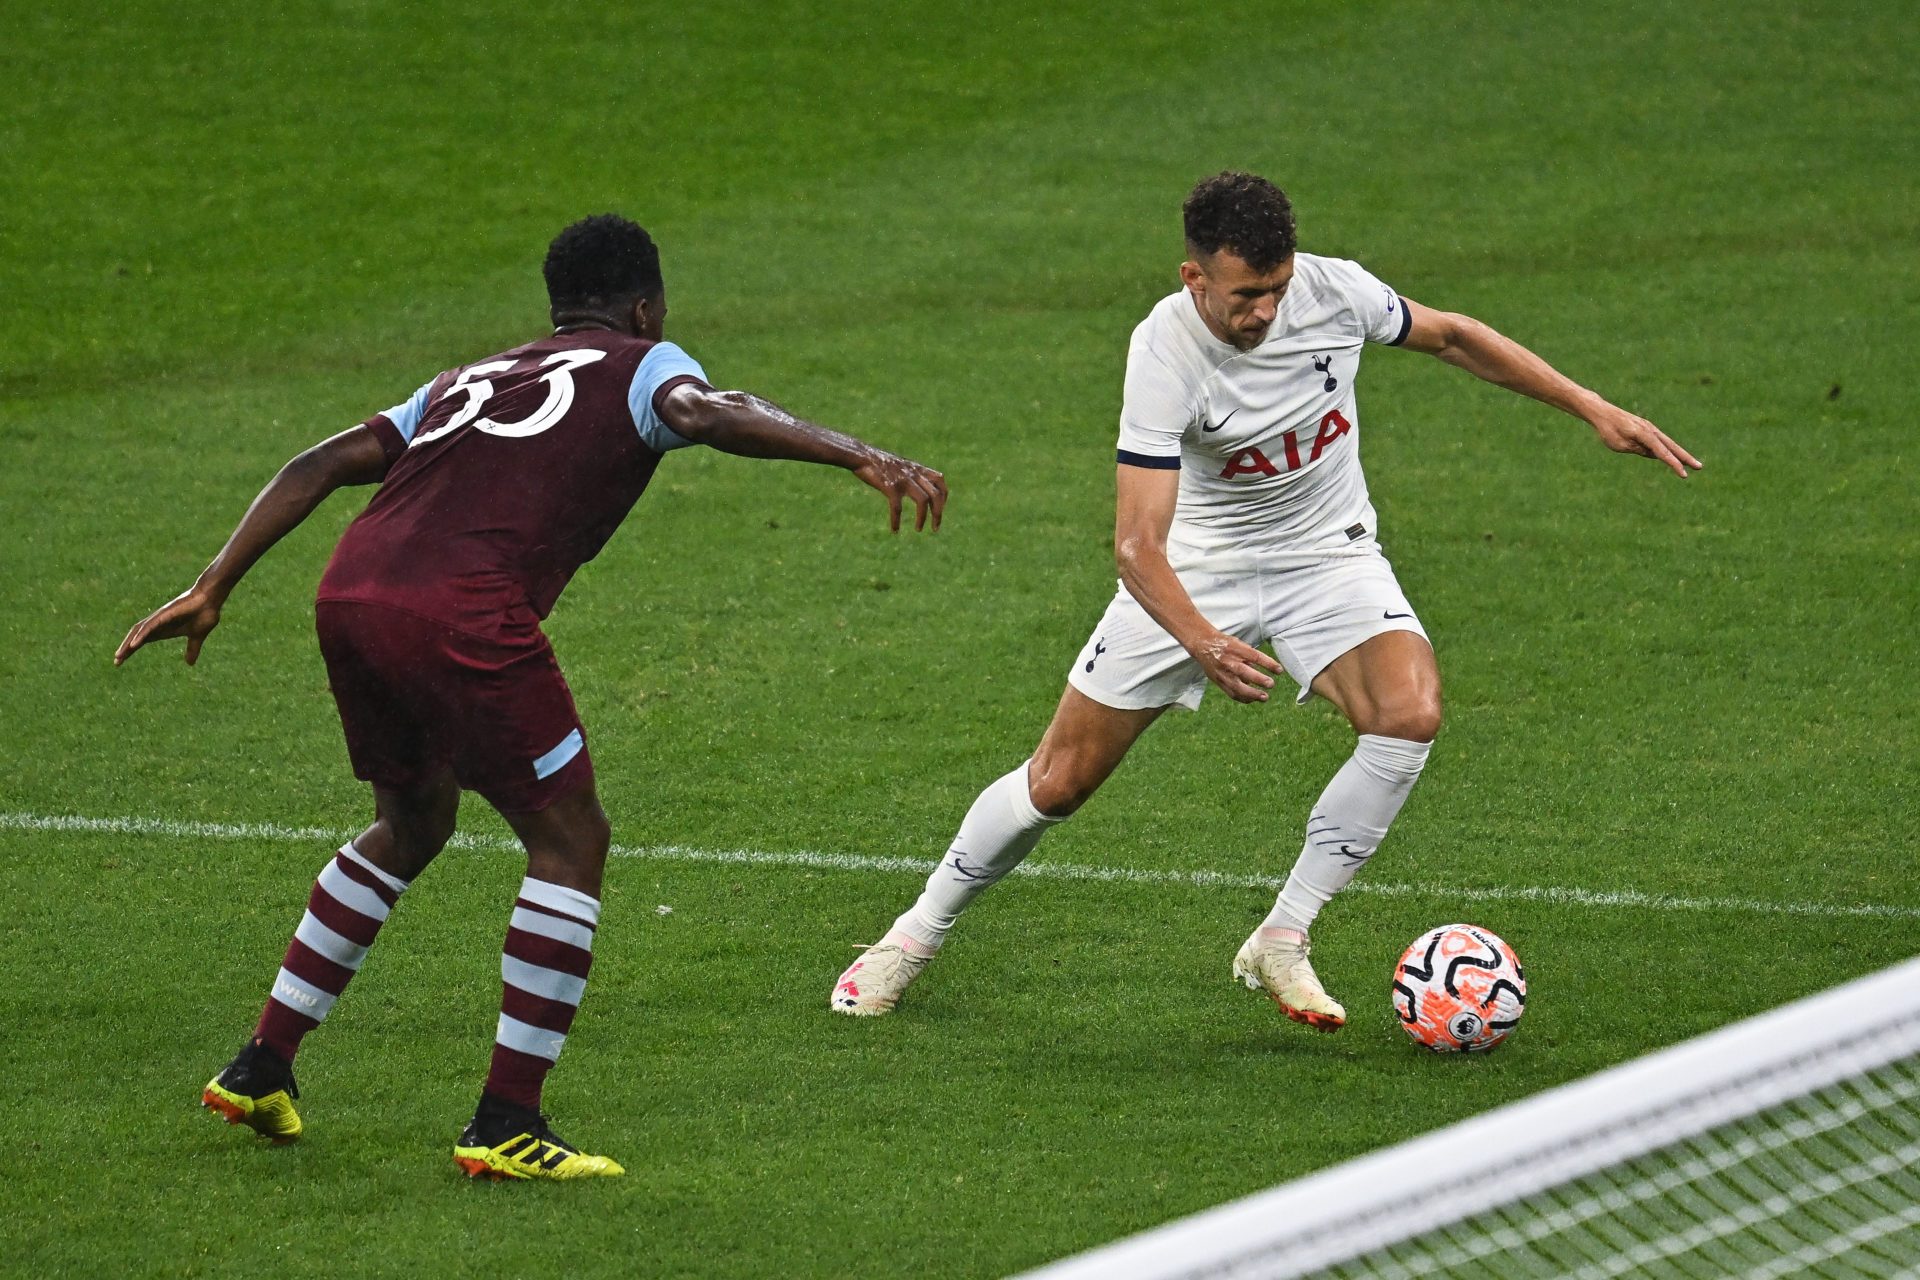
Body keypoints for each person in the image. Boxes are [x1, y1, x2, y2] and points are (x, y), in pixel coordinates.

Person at [117, 213, 947, 1179]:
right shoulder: (642, 361)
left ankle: (262, 1065)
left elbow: (320, 462)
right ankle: (506, 1120)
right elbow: (705, 410)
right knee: (570, 840)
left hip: (351, 594)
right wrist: (854, 450)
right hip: (461, 613)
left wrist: (214, 585)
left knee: (413, 820)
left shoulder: (467, 379)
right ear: (646, 305)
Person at [831, 172, 1697, 1026]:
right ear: (1194, 278)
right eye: (1247, 295)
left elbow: (1455, 337)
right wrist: (1203, 640)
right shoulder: (1164, 352)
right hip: (1191, 569)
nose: (1266, 313)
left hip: (1325, 553)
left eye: (1277, 290)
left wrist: (1589, 406)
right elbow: (1136, 546)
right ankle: (910, 938)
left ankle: (1283, 936)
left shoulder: (1335, 291)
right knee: (1059, 783)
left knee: (1409, 713)